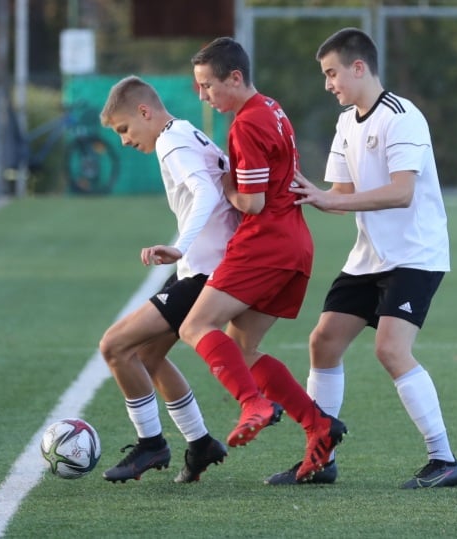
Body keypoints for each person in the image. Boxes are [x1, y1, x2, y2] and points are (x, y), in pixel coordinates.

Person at [265, 27, 457, 489]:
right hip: (369, 256)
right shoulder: (346, 123)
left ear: (359, 67)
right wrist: (301, 191)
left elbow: (401, 191)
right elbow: (340, 194)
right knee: (323, 342)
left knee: (390, 349)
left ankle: (444, 459)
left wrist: (331, 199)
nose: (328, 83)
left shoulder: (402, 117)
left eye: (332, 73)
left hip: (415, 254)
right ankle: (321, 457)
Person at [178, 36, 347, 483]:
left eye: (207, 86)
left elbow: (251, 203)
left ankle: (253, 402)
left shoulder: (246, 124)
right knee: (242, 349)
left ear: (234, 78)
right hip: (296, 244)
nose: (204, 96)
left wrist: (225, 187)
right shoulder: (272, 107)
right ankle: (319, 425)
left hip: (265, 243)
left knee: (194, 326)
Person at [97, 75, 240, 483]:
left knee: (114, 346)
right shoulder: (187, 132)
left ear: (145, 112)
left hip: (206, 271)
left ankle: (151, 444)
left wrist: (181, 245)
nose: (124, 140)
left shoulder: (171, 142)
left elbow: (206, 193)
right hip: (204, 267)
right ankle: (201, 444)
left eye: (124, 128)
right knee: (147, 354)